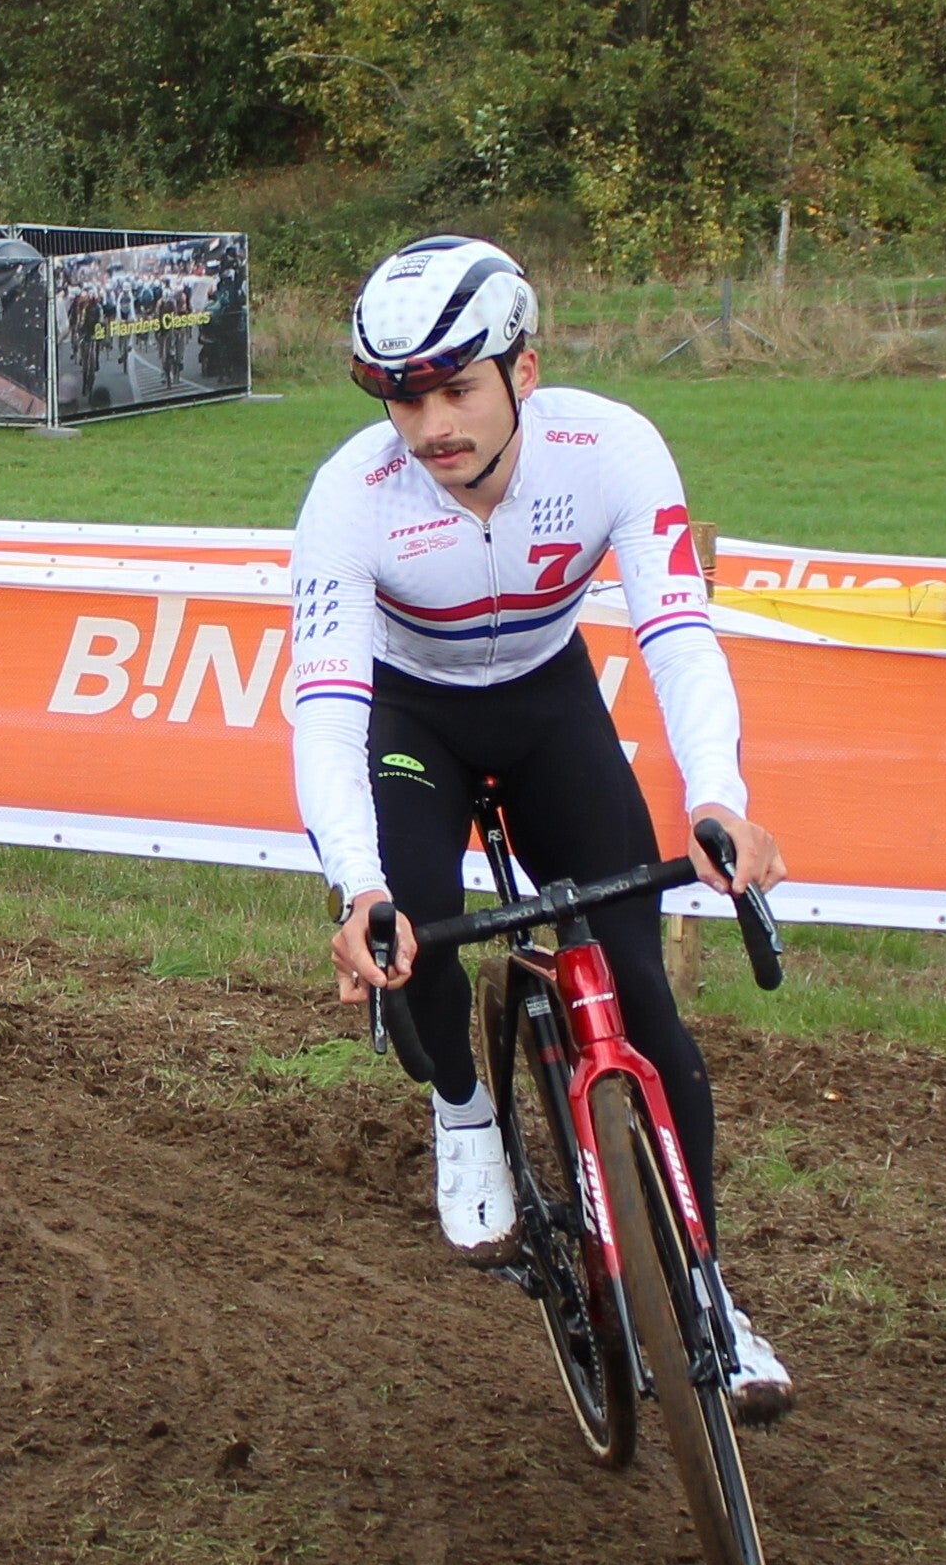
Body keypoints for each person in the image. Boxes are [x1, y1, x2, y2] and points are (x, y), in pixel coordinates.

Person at [289, 235, 794, 1422]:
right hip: (409, 719)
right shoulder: (350, 497)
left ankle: (707, 1295)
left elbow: (676, 631)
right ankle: (463, 1104)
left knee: (642, 1000)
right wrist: (357, 885)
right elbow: (326, 705)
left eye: (454, 389)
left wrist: (716, 795)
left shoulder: (608, 447)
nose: (428, 426)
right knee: (411, 926)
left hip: (547, 703)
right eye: (401, 397)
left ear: (524, 369)